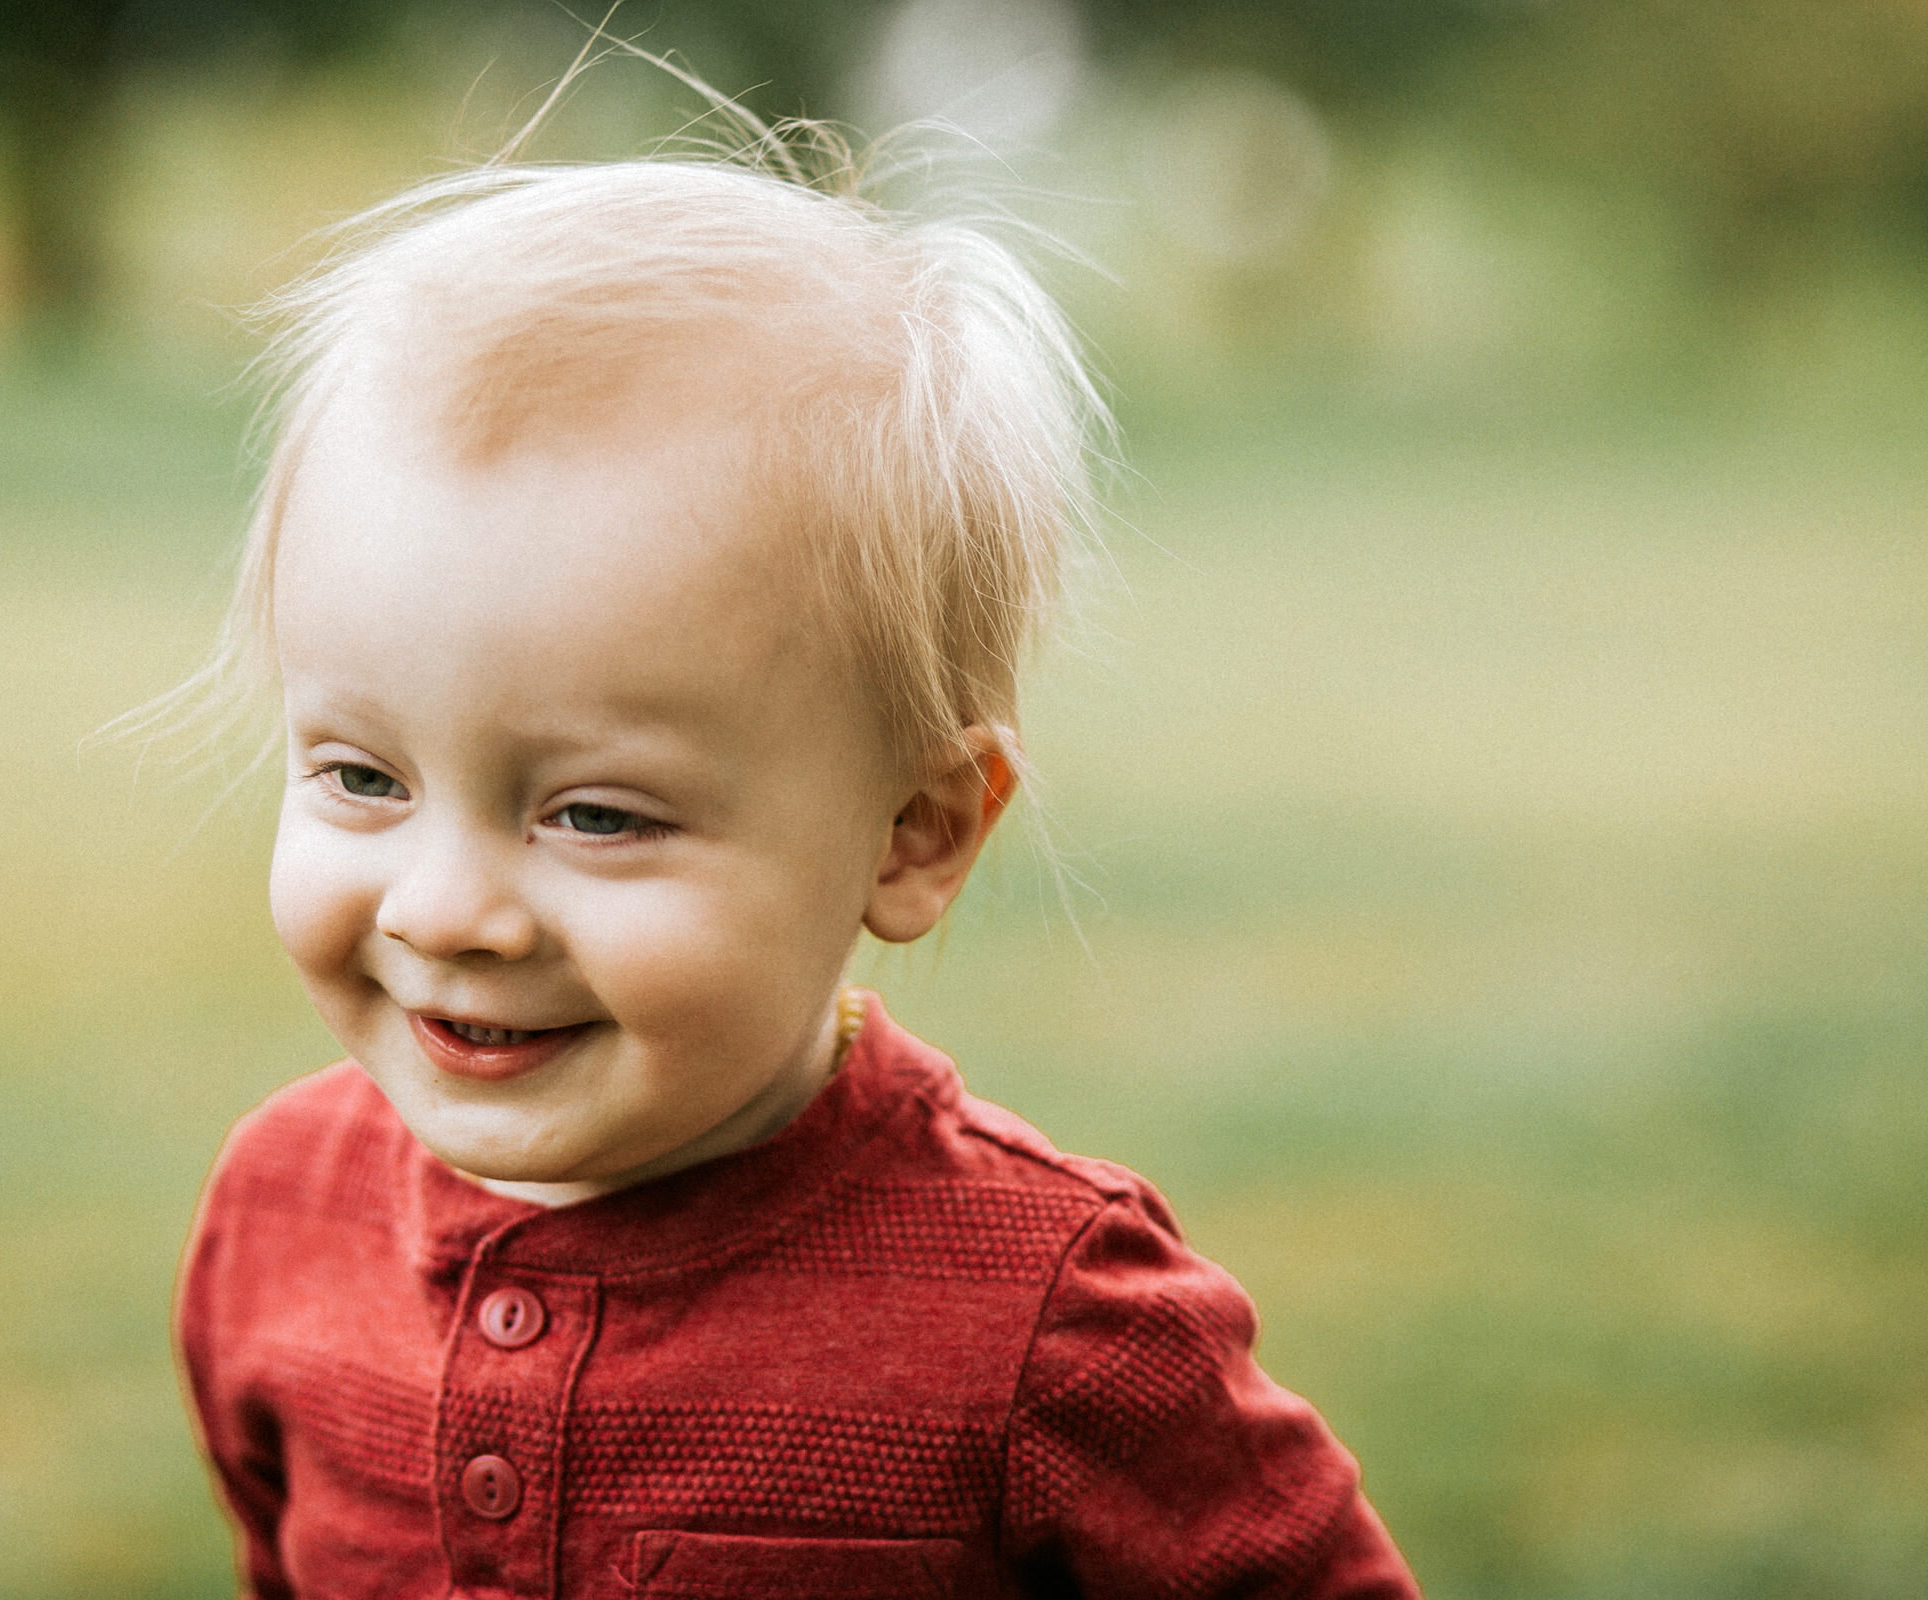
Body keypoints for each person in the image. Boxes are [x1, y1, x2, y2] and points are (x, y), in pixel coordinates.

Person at [168, 117, 1420, 1599]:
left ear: (915, 833)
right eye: (364, 777)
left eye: (597, 816)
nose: (445, 909)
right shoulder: (280, 1214)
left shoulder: (1049, 1324)